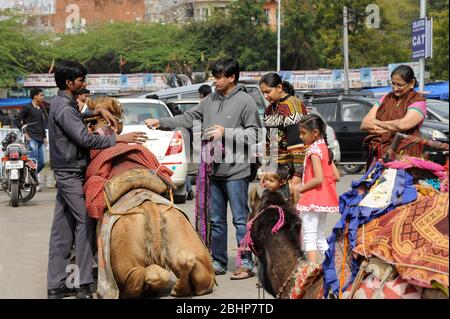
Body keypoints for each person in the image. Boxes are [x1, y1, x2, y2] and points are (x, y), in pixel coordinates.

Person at [145, 57, 262, 280]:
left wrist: (225, 132)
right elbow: (190, 118)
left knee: (240, 219)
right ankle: (218, 261)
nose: (215, 81)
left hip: (236, 171)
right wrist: (162, 123)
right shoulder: (210, 99)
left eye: (219, 77)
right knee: (216, 220)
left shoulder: (246, 102)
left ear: (232, 77)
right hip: (212, 171)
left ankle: (245, 262)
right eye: (214, 76)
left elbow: (256, 134)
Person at [46, 60, 147, 299]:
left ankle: (55, 284)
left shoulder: (64, 103)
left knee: (62, 229)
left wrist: (96, 112)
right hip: (70, 172)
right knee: (85, 222)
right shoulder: (64, 108)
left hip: (67, 171)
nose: (85, 84)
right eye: (81, 80)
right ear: (69, 83)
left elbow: (76, 120)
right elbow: (86, 140)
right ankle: (83, 285)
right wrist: (121, 140)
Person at [294, 114, 340, 264]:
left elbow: (318, 178)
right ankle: (333, 267)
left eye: (303, 133)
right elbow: (336, 176)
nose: (301, 137)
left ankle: (313, 271)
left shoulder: (314, 150)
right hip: (325, 199)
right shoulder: (325, 148)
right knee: (319, 236)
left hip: (312, 199)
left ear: (315, 132)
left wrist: (301, 188)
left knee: (309, 237)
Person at [361, 65, 427, 168]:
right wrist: (390, 130)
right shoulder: (386, 98)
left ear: (412, 83)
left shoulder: (418, 101)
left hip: (404, 156)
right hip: (379, 155)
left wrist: (378, 123)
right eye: (393, 84)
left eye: (399, 85)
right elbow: (365, 123)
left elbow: (403, 124)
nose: (395, 88)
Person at [259, 73, 308, 193]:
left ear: (279, 88)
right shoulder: (269, 111)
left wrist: (297, 175)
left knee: (287, 209)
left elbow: (297, 144)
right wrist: (265, 171)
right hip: (275, 171)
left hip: (290, 171)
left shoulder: (293, 106)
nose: (265, 96)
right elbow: (270, 144)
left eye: (268, 92)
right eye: (263, 93)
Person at [14, 88, 48, 185]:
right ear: (35, 96)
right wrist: (24, 132)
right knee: (34, 161)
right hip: (31, 138)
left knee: (42, 162)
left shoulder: (40, 109)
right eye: (41, 95)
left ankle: (29, 178)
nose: (43, 97)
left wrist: (44, 137)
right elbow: (17, 120)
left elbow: (41, 124)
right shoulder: (27, 107)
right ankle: (31, 181)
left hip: (40, 139)